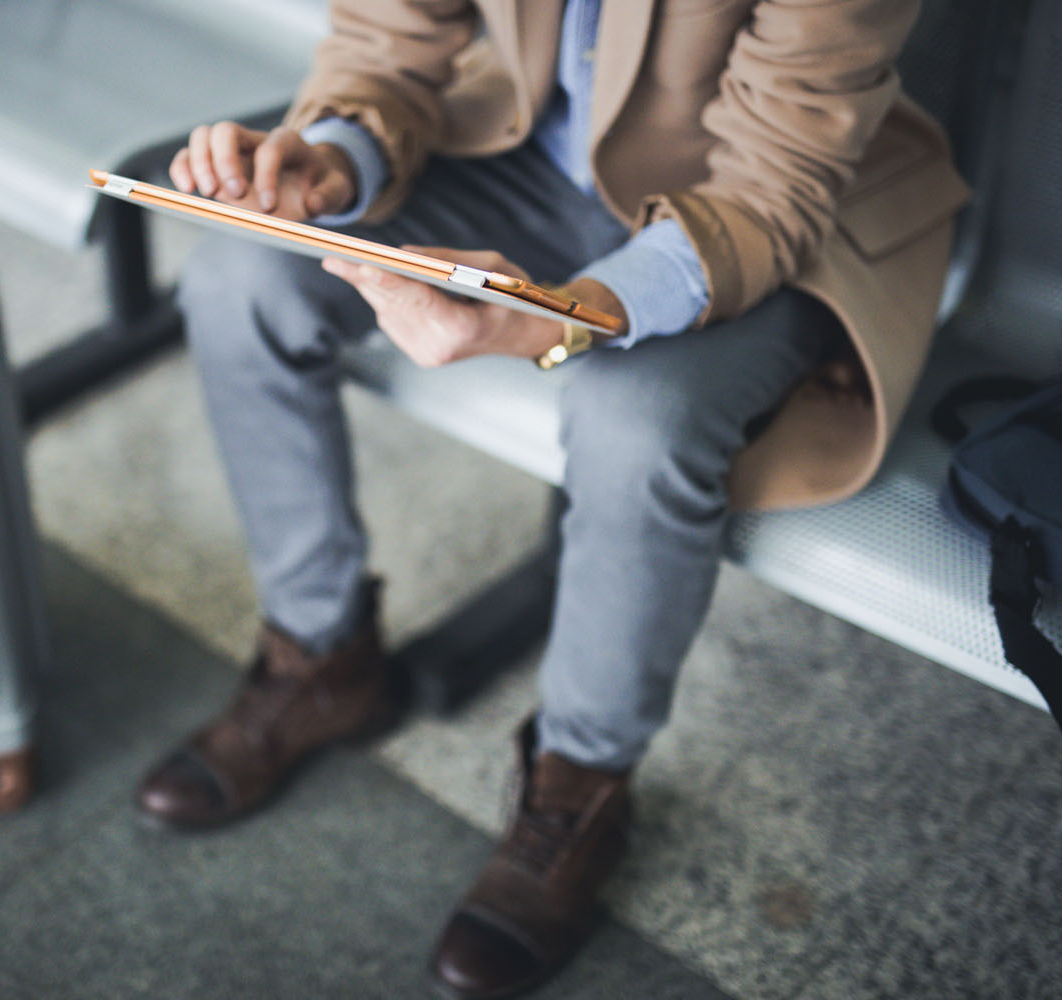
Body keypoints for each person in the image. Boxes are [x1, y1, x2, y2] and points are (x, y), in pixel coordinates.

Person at [135, 1, 968, 996]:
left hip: (767, 219)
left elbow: (774, 187)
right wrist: (332, 157)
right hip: (540, 150)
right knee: (238, 272)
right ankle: (321, 657)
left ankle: (579, 784)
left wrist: (555, 320)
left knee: (636, 423)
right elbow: (387, 38)